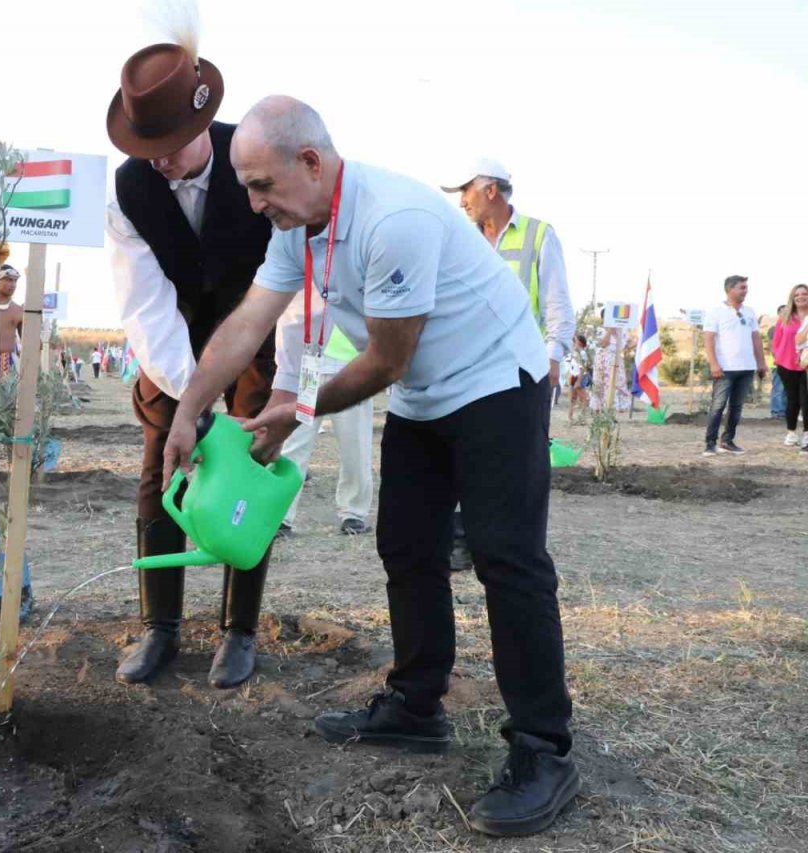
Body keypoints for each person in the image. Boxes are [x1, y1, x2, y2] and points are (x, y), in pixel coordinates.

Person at [162, 96, 577, 836]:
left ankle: (545, 747)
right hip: (426, 393)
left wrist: (299, 408)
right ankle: (418, 706)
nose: (254, 205)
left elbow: (387, 357)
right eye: (247, 188)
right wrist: (190, 406)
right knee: (407, 546)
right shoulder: (299, 226)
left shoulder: (393, 220)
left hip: (496, 381)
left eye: (261, 185)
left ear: (312, 162)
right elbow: (251, 320)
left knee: (506, 555)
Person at [106, 39, 277, 689]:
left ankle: (238, 631)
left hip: (258, 336)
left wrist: (272, 388)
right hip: (173, 350)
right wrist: (193, 403)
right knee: (160, 471)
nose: (163, 161)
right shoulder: (127, 191)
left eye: (175, 142)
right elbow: (145, 309)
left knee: (250, 468)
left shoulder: (253, 162)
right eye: (149, 148)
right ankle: (161, 626)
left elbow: (290, 277)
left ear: (205, 122)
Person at [441, 160, 575, 569]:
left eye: (466, 190)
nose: (461, 200)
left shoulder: (538, 234)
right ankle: (464, 542)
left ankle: (516, 546)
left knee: (522, 465)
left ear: (490, 190)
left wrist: (553, 356)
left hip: (522, 369)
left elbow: (557, 304)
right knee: (465, 457)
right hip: (469, 367)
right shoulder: (461, 237)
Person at [277, 321, 373, 537]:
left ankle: (353, 512)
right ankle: (281, 514)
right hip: (307, 364)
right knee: (294, 445)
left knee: (355, 444)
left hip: (352, 365)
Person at [702, 275, 766, 456]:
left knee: (737, 407)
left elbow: (755, 338)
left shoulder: (750, 311)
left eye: (746, 287)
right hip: (725, 368)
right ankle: (710, 444)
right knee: (718, 406)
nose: (746, 291)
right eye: (742, 287)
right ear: (730, 289)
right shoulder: (716, 311)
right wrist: (714, 363)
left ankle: (728, 441)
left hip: (746, 367)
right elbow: (708, 338)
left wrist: (761, 362)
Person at [771, 286, 808, 447]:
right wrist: (778, 357)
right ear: (792, 298)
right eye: (797, 294)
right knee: (792, 400)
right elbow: (776, 341)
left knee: (806, 401)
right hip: (787, 365)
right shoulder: (785, 318)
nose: (800, 297)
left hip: (806, 365)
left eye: (804, 294)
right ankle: (791, 432)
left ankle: (807, 434)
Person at [566, 334, 591, 421]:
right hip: (573, 376)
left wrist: (579, 381)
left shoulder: (582, 353)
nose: (573, 342)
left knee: (583, 398)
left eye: (575, 340)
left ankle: (582, 417)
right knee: (572, 398)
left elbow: (582, 368)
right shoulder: (574, 353)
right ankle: (570, 416)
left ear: (580, 342)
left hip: (579, 377)